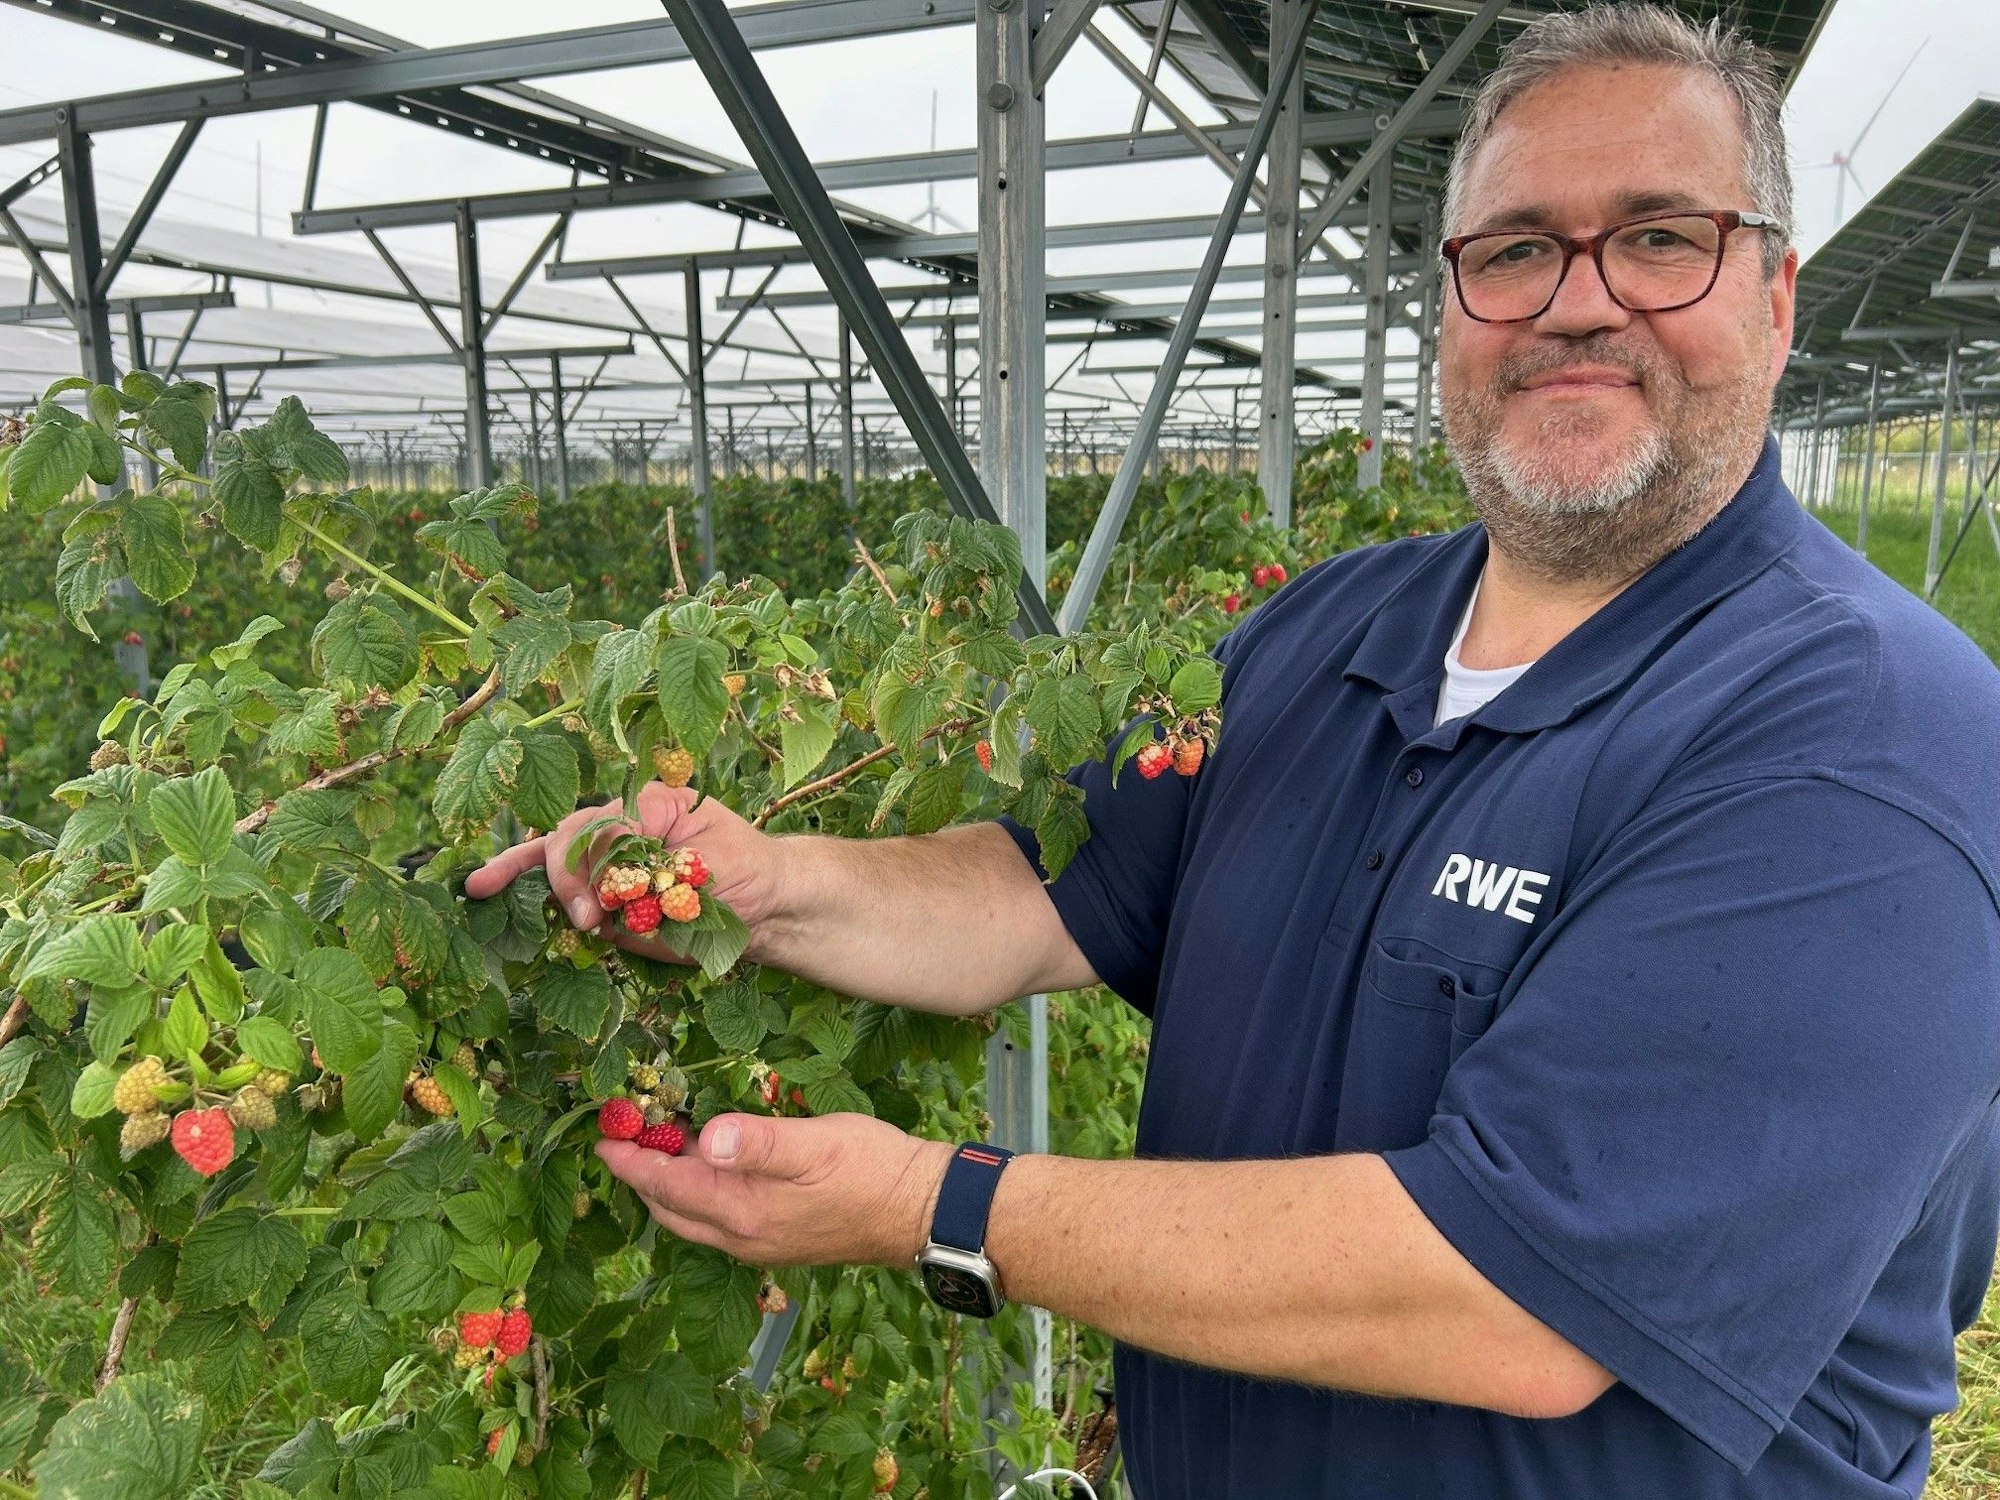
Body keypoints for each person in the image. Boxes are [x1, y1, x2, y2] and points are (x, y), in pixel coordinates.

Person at [466, 5, 2000, 1495]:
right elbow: (1046, 889)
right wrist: (764, 881)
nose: (1577, 302)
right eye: (1516, 249)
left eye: (1662, 237)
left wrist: (937, 1203)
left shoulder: (1861, 738)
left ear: (1778, 295)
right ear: (1452, 300)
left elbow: (1515, 1297)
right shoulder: (1328, 628)